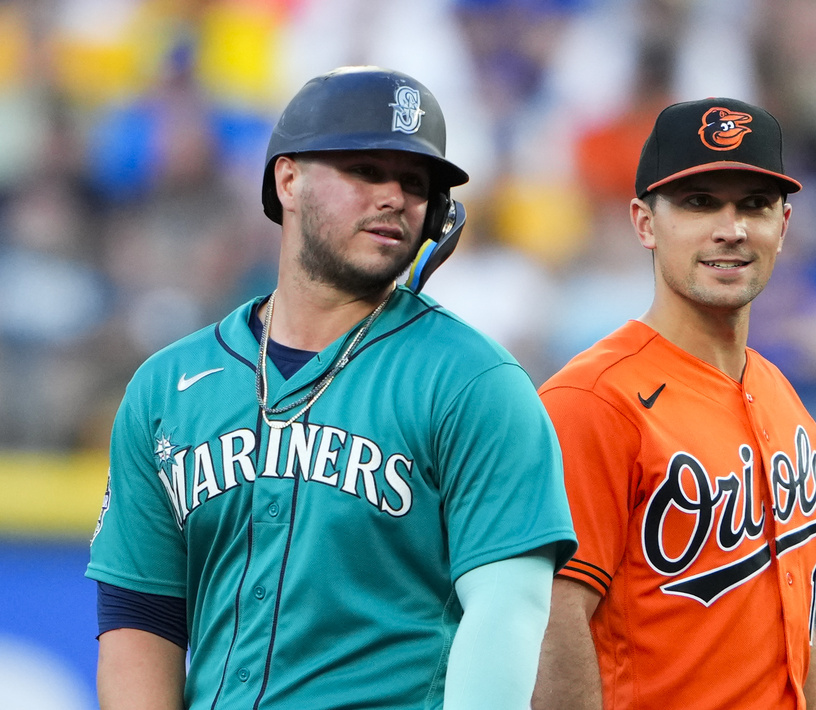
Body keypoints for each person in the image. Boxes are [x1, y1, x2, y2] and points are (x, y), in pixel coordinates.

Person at [86, 65, 577, 710]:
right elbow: (140, 612)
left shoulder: (475, 383)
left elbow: (508, 614)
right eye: (366, 171)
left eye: (415, 182)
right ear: (287, 179)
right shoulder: (167, 386)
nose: (395, 198)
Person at [532, 97, 816, 710]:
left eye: (754, 205)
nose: (731, 228)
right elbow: (551, 623)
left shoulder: (784, 399)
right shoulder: (591, 401)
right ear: (643, 223)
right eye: (699, 203)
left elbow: (799, 625)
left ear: (784, 224)